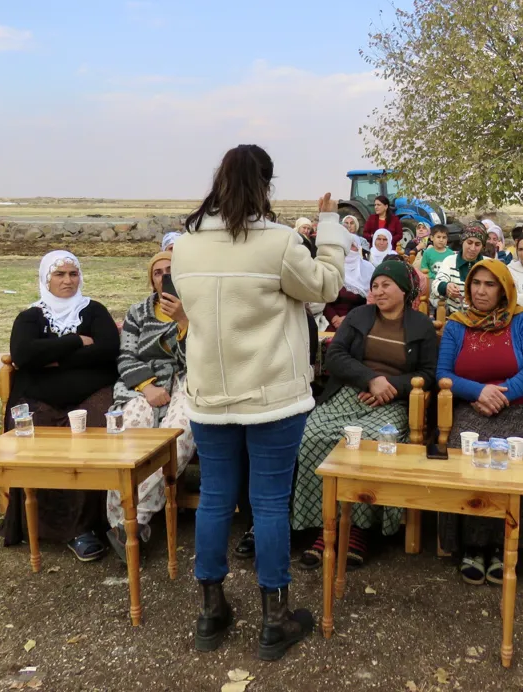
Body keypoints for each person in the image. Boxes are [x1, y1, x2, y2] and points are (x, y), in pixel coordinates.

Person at [171, 144, 348, 660]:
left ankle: (211, 611)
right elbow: (326, 287)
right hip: (272, 395)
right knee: (269, 502)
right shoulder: (279, 242)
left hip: (210, 393)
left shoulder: (185, 246)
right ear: (266, 186)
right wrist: (329, 228)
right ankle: (274, 618)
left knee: (215, 499)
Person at [292, 260, 438, 567]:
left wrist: (390, 387)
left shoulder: (421, 326)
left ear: (404, 290)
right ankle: (324, 524)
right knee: (312, 436)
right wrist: (370, 380)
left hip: (391, 402)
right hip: (349, 393)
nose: (378, 291)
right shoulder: (359, 315)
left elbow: (428, 373)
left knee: (372, 443)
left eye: (386, 285)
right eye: (374, 286)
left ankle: (359, 528)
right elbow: (335, 355)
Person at [436, 260, 523, 584]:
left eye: (490, 284)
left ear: (504, 289)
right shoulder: (457, 325)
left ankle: (515, 542)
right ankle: (474, 545)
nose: (480, 291)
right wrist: (478, 391)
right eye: (475, 283)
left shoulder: (522, 320)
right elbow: (443, 373)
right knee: (467, 457)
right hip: (474, 408)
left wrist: (500, 394)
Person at [0, 251, 120, 559]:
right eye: (60, 274)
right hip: (38, 395)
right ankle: (41, 525)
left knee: (91, 432)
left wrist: (52, 358)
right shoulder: (31, 316)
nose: (68, 280)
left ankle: (86, 528)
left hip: (91, 392)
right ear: (46, 278)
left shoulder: (94, 310)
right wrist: (75, 341)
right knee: (34, 434)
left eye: (73, 273)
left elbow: (108, 350)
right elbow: (24, 355)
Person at [105, 251, 197, 562]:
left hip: (185, 378)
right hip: (142, 383)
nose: (164, 276)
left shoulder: (197, 308)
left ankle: (129, 522)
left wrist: (183, 320)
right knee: (127, 438)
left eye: (171, 270)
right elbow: (127, 357)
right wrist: (147, 387)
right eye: (158, 272)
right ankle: (126, 522)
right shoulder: (138, 312)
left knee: (177, 437)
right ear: (151, 280)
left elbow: (200, 357)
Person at [433, 224, 488, 316]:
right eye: (469, 243)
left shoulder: (488, 264)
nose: (473, 248)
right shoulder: (450, 261)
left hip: (482, 316)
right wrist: (446, 287)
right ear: (462, 242)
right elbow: (436, 285)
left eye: (477, 244)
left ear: (482, 246)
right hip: (455, 316)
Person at [325, 234, 374, 329]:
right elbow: (322, 299)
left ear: (358, 248)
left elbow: (370, 302)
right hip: (331, 321)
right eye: (345, 245)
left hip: (358, 320)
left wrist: (348, 319)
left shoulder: (368, 269)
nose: (347, 249)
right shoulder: (331, 267)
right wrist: (334, 318)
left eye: (352, 246)